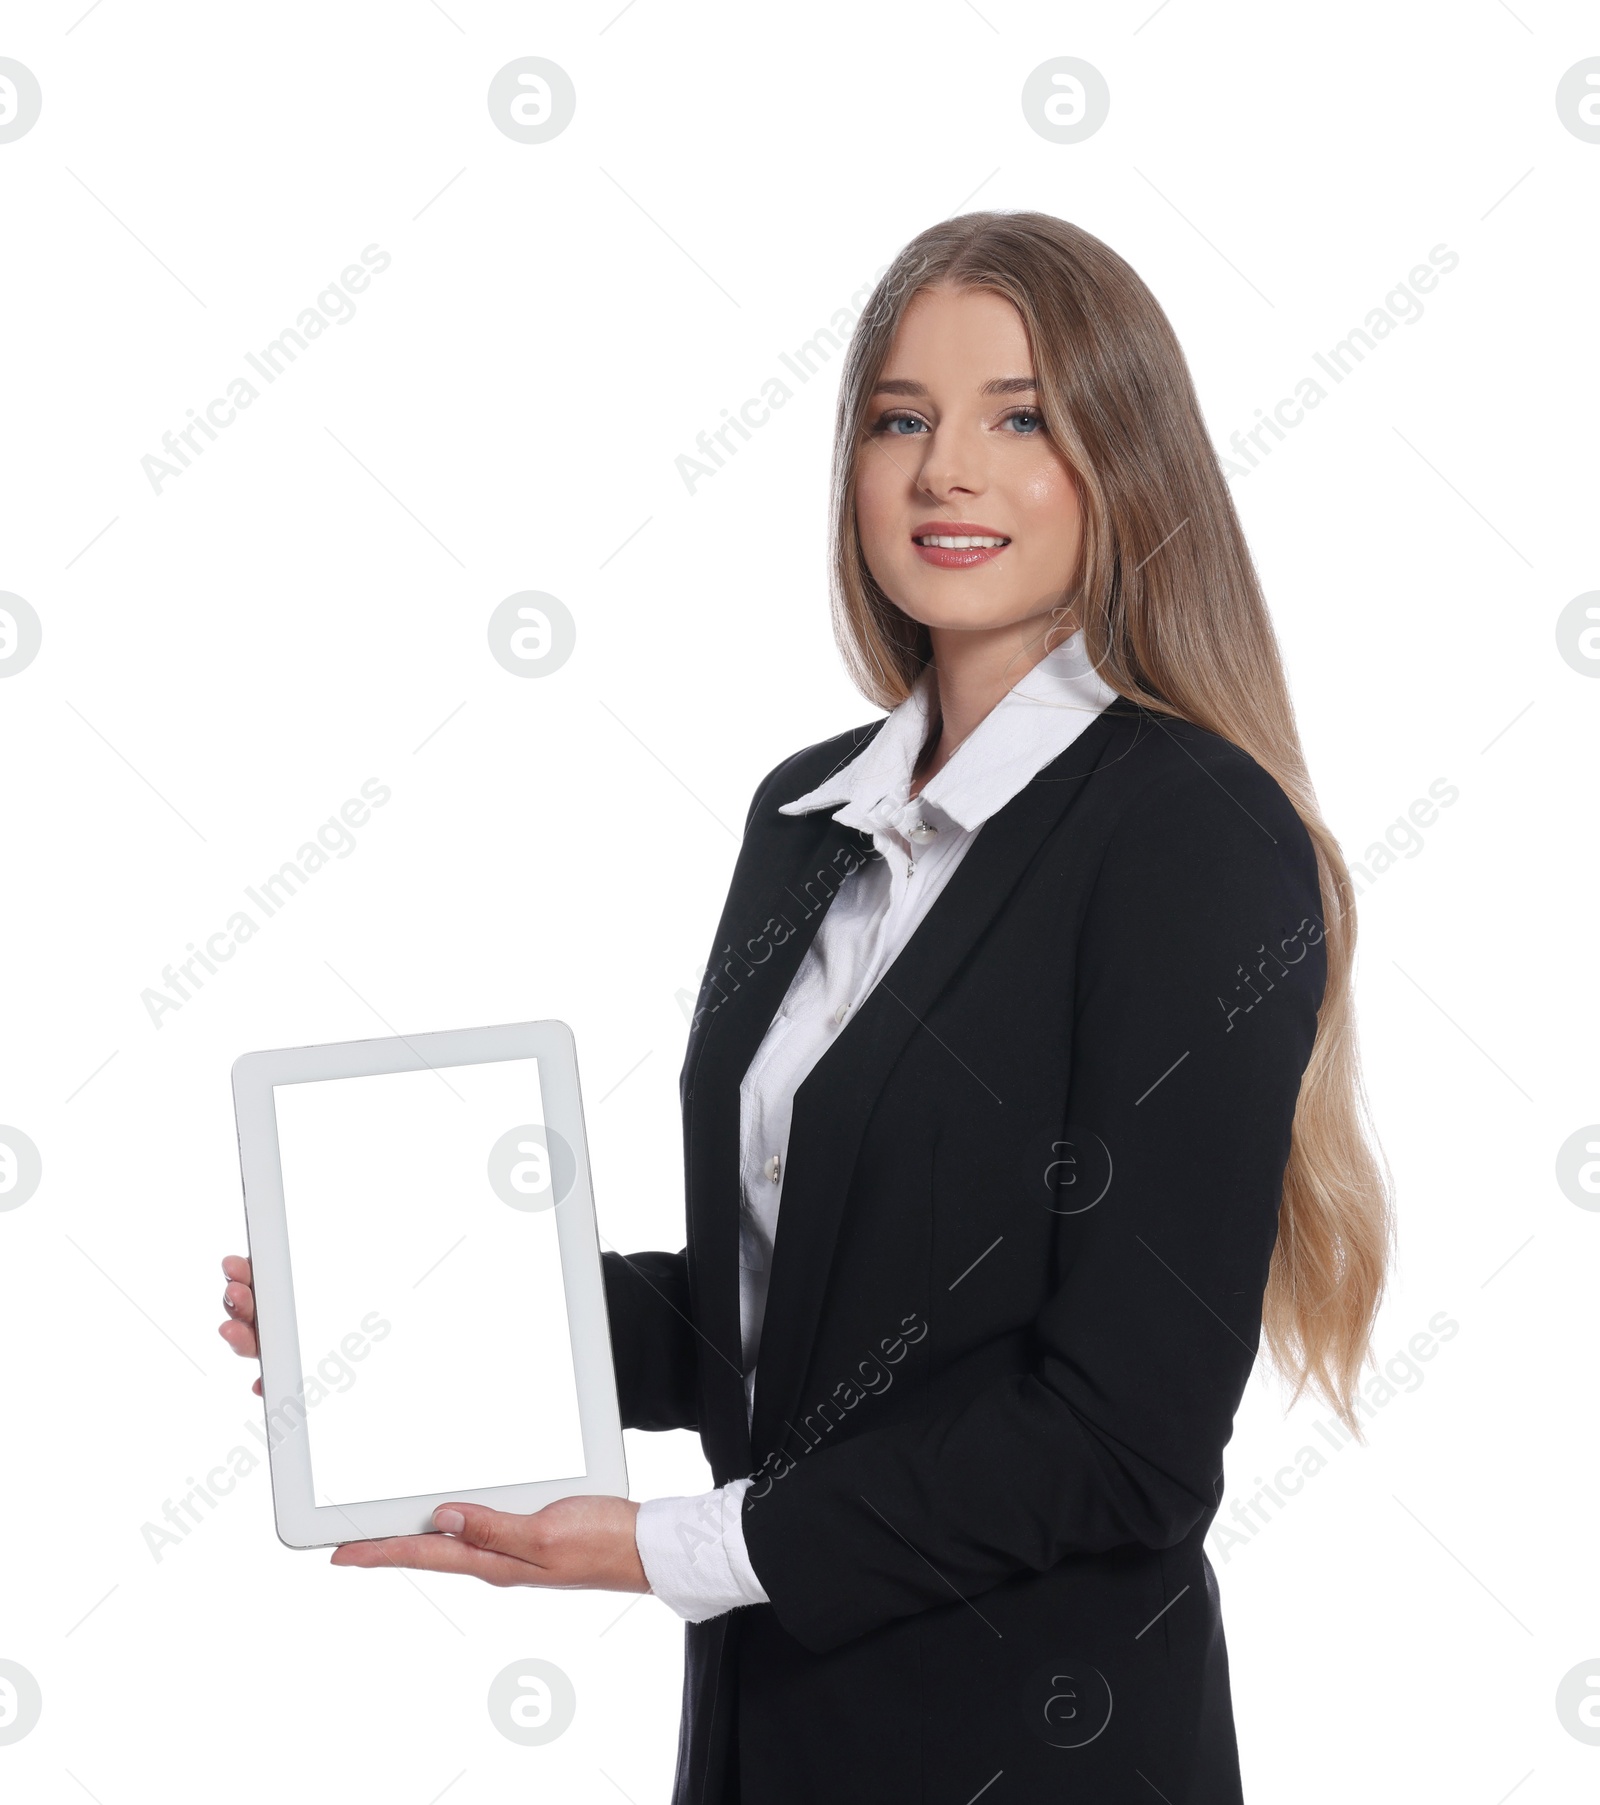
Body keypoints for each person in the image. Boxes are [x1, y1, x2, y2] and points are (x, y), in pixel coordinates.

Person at [220, 210, 1392, 1804]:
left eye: (1020, 416)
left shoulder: (1187, 831)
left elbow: (1125, 1443)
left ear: (1129, 465)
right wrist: (398, 1335)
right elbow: (770, 1319)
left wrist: (673, 1546)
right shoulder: (806, 819)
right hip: (771, 1732)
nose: (945, 471)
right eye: (901, 418)